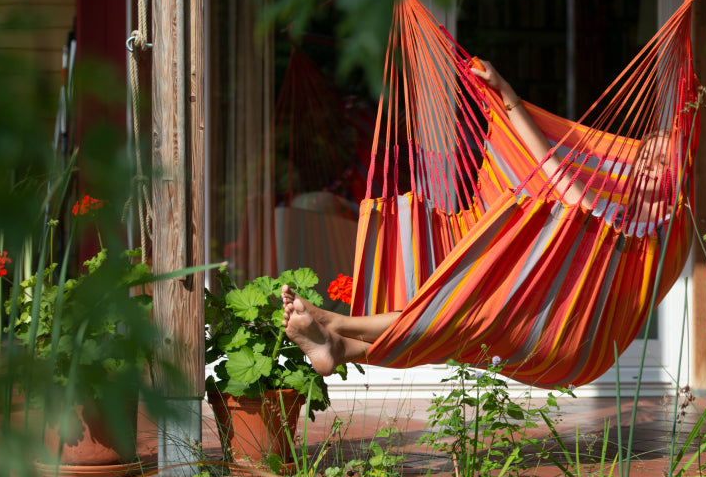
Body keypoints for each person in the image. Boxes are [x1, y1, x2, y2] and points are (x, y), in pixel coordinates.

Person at [282, 58, 674, 376]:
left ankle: (336, 324)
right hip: (527, 313)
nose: (652, 166)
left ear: (682, 173)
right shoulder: (602, 210)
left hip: (569, 331)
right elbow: (548, 163)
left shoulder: (664, 229)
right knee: (455, 306)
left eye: (664, 160)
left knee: (465, 309)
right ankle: (341, 347)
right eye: (645, 157)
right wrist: (508, 95)